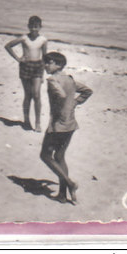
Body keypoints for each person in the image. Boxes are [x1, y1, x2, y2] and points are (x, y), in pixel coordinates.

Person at [40, 52, 93, 204]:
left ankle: (69, 183)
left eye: (49, 63)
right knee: (59, 157)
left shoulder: (52, 80)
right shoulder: (70, 79)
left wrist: (61, 102)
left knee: (45, 156)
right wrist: (75, 102)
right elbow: (87, 91)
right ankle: (63, 195)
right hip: (70, 124)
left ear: (58, 65)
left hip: (57, 125)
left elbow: (61, 95)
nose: (46, 65)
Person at [4, 15, 49, 131]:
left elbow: (44, 57)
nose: (34, 29)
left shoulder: (43, 40)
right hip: (25, 66)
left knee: (37, 95)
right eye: (32, 27)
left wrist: (43, 74)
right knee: (28, 95)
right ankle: (26, 120)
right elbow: (8, 46)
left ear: (40, 27)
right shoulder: (24, 38)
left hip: (38, 67)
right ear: (28, 26)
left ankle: (38, 122)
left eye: (36, 27)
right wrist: (18, 59)